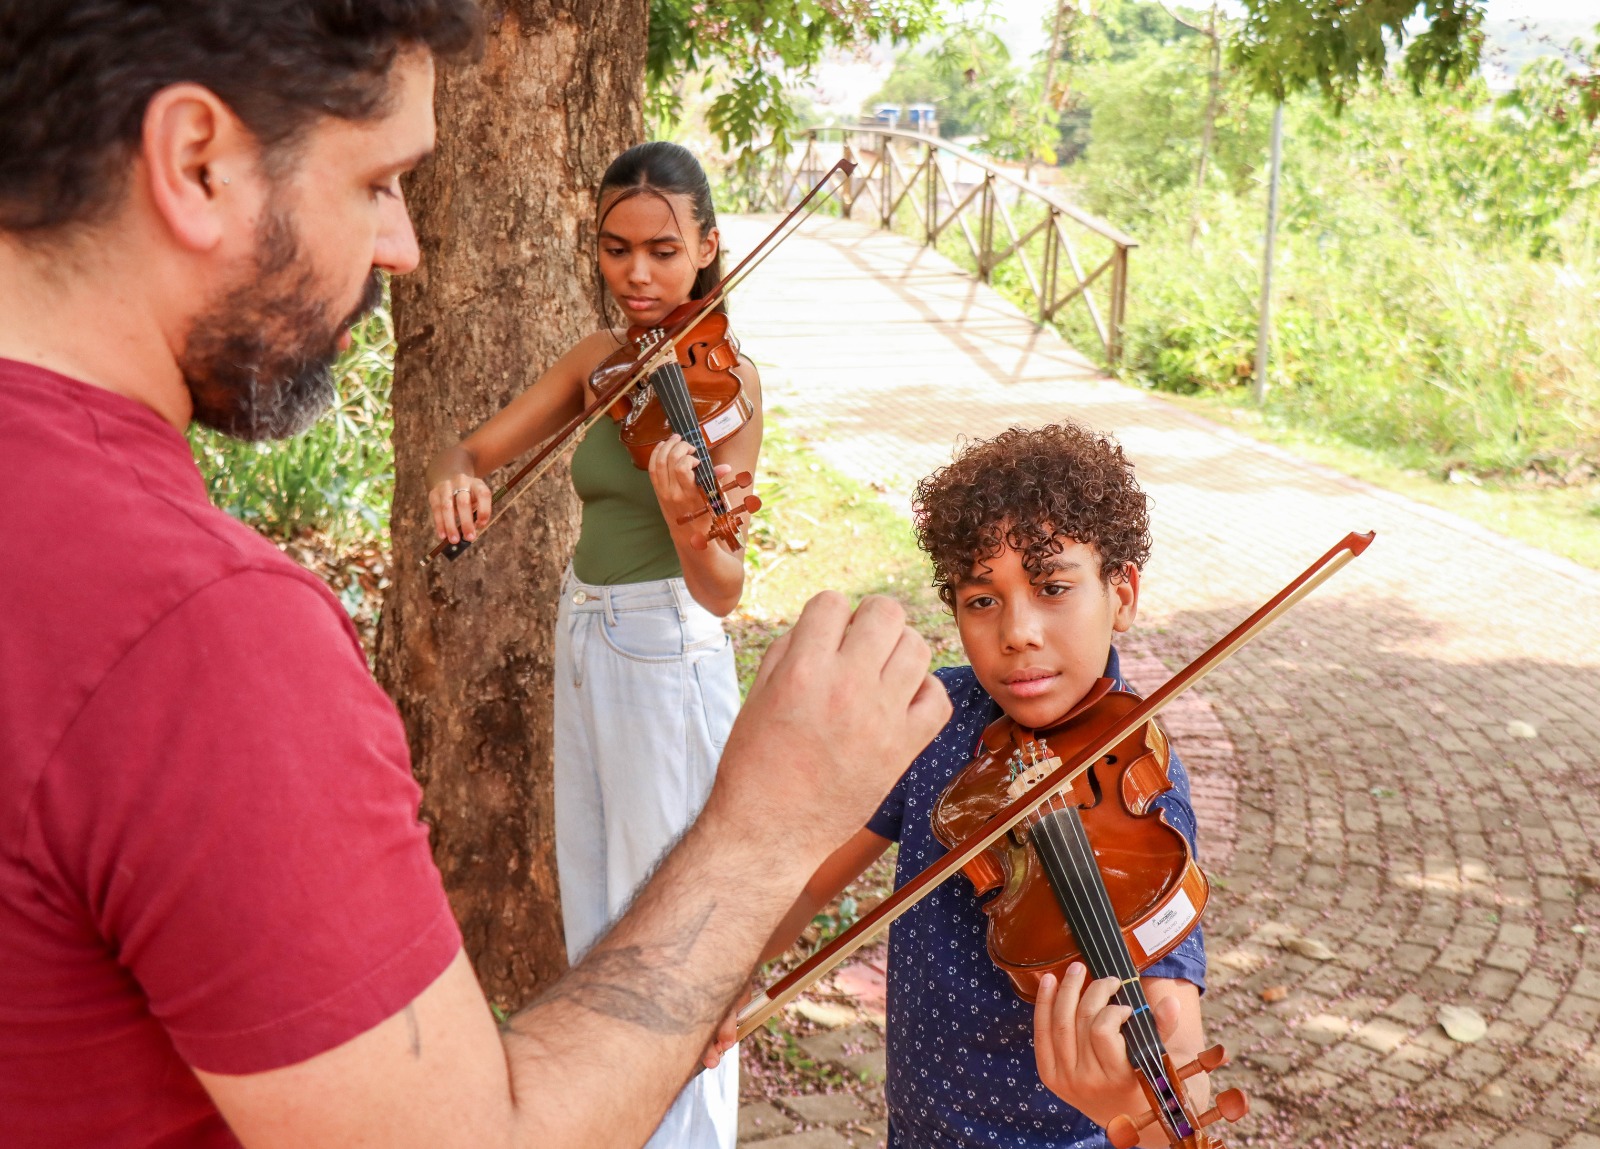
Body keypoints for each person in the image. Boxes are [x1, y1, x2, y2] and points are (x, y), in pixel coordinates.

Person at [0, 5, 951, 1148]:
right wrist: (766, 824)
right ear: (196, 161)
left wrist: (695, 519)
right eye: (375, 182)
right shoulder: (204, 634)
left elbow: (719, 574)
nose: (401, 245)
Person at [730, 424, 1210, 1148]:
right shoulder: (937, 722)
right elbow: (803, 884)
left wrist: (1132, 1105)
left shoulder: (1137, 783)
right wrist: (719, 971)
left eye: (1052, 588)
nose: (1017, 630)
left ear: (1123, 593)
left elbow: (1181, 1054)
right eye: (982, 599)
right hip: (921, 1129)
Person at [423, 138, 757, 1148]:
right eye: (616, 250)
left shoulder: (728, 385)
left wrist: (693, 524)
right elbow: (472, 446)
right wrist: (459, 479)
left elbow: (725, 591)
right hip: (588, 638)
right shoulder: (603, 364)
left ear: (705, 247)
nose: (638, 274)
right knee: (601, 923)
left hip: (666, 652)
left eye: (661, 249)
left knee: (674, 943)